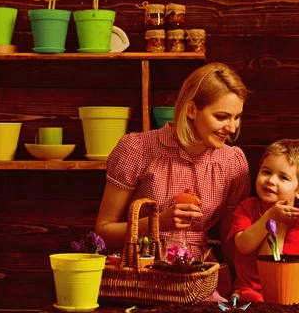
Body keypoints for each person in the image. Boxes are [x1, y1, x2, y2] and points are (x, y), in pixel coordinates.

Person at [94, 62, 251, 301]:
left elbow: (232, 242)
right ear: (191, 110)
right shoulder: (138, 149)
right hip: (142, 272)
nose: (231, 127)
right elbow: (103, 231)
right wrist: (160, 223)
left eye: (237, 117)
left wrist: (245, 283)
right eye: (221, 117)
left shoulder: (233, 162)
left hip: (198, 276)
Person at [228, 138, 299, 302]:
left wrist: (281, 224)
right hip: (252, 289)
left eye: (283, 177)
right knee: (248, 297)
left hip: (287, 286)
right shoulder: (246, 208)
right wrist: (272, 217)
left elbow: (271, 266)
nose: (271, 180)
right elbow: (243, 245)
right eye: (266, 172)